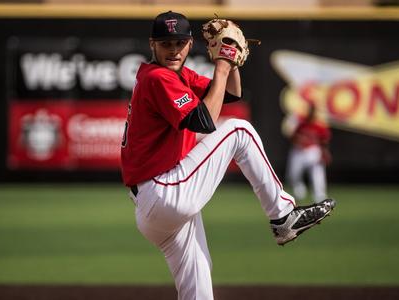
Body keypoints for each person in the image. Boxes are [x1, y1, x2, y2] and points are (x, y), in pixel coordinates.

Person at [120, 11, 336, 300]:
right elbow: (204, 121)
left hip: (157, 207)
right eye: (165, 43)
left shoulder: (179, 75)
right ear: (152, 45)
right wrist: (221, 64)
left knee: (199, 287)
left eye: (179, 43)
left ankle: (282, 216)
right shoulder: (158, 78)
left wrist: (231, 61)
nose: (173, 50)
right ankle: (282, 216)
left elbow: (231, 94)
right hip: (163, 192)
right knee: (238, 131)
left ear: (188, 44)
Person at [284, 103, 332, 203]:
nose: (312, 112)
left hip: (313, 150)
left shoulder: (319, 125)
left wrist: (325, 152)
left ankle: (320, 196)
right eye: (310, 110)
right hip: (299, 151)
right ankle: (299, 192)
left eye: (313, 110)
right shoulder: (300, 123)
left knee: (317, 173)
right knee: (293, 175)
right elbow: (290, 135)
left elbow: (324, 141)